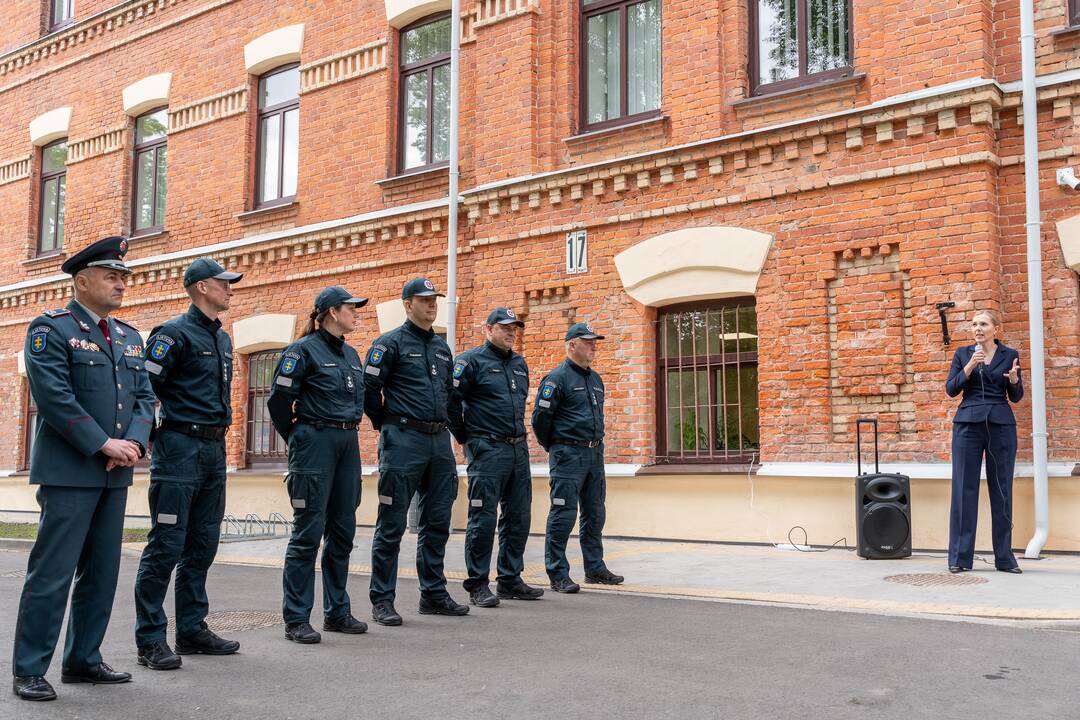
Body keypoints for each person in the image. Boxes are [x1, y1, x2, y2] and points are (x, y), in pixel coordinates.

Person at [12, 236, 155, 701]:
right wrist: (102, 443)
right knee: (52, 573)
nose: (121, 284)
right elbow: (54, 398)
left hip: (115, 472)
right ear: (82, 280)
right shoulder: (50, 328)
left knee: (102, 573)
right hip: (70, 471)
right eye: (112, 276)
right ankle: (30, 669)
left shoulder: (131, 336)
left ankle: (83, 660)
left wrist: (132, 441)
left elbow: (146, 399)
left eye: (124, 278)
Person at [132, 257, 243, 670]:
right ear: (200, 288)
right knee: (166, 546)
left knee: (203, 544)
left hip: (214, 451)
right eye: (223, 283)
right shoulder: (172, 335)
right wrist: (141, 441)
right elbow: (144, 389)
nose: (230, 288)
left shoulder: (224, 339)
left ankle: (192, 629)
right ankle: (150, 639)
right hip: (178, 449)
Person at [268, 287, 370, 644]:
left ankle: (337, 612)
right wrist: (299, 438)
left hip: (347, 443)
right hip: (315, 443)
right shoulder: (301, 351)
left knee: (342, 532)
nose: (356, 313)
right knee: (307, 533)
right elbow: (278, 402)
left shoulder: (353, 355)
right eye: (350, 308)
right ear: (330, 312)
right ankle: (296, 618)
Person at [363, 277, 468, 625]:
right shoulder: (388, 344)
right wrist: (388, 426)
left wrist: (454, 435)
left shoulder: (441, 348)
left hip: (438, 442)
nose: (432, 305)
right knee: (391, 524)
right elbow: (368, 392)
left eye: (434, 299)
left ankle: (433, 594)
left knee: (437, 522)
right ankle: (382, 600)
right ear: (408, 304)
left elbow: (451, 397)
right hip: (403, 439)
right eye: (424, 300)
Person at [448, 308, 544, 607]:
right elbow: (451, 403)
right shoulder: (470, 361)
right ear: (488, 330)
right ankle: (477, 583)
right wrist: (468, 438)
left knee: (518, 517)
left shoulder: (519, 363)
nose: (511, 332)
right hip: (487, 449)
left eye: (514, 328)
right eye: (504, 327)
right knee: (484, 518)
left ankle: (510, 579)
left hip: (517, 449)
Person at [531, 322, 623, 593]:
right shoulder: (556, 378)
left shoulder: (595, 379)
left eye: (595, 341)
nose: (594, 345)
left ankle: (594, 568)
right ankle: (557, 573)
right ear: (572, 344)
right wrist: (556, 448)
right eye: (588, 341)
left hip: (594, 453)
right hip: (568, 454)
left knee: (595, 513)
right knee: (563, 513)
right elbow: (540, 420)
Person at [945, 309, 1024, 574]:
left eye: (983, 324)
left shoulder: (1009, 355)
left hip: (1001, 424)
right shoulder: (962, 354)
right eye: (974, 324)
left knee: (1001, 491)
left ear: (995, 329)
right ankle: (959, 558)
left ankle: (1004, 558)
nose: (978, 328)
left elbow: (1016, 396)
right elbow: (951, 389)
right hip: (968, 425)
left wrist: (1013, 381)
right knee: (964, 490)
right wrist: (969, 367)